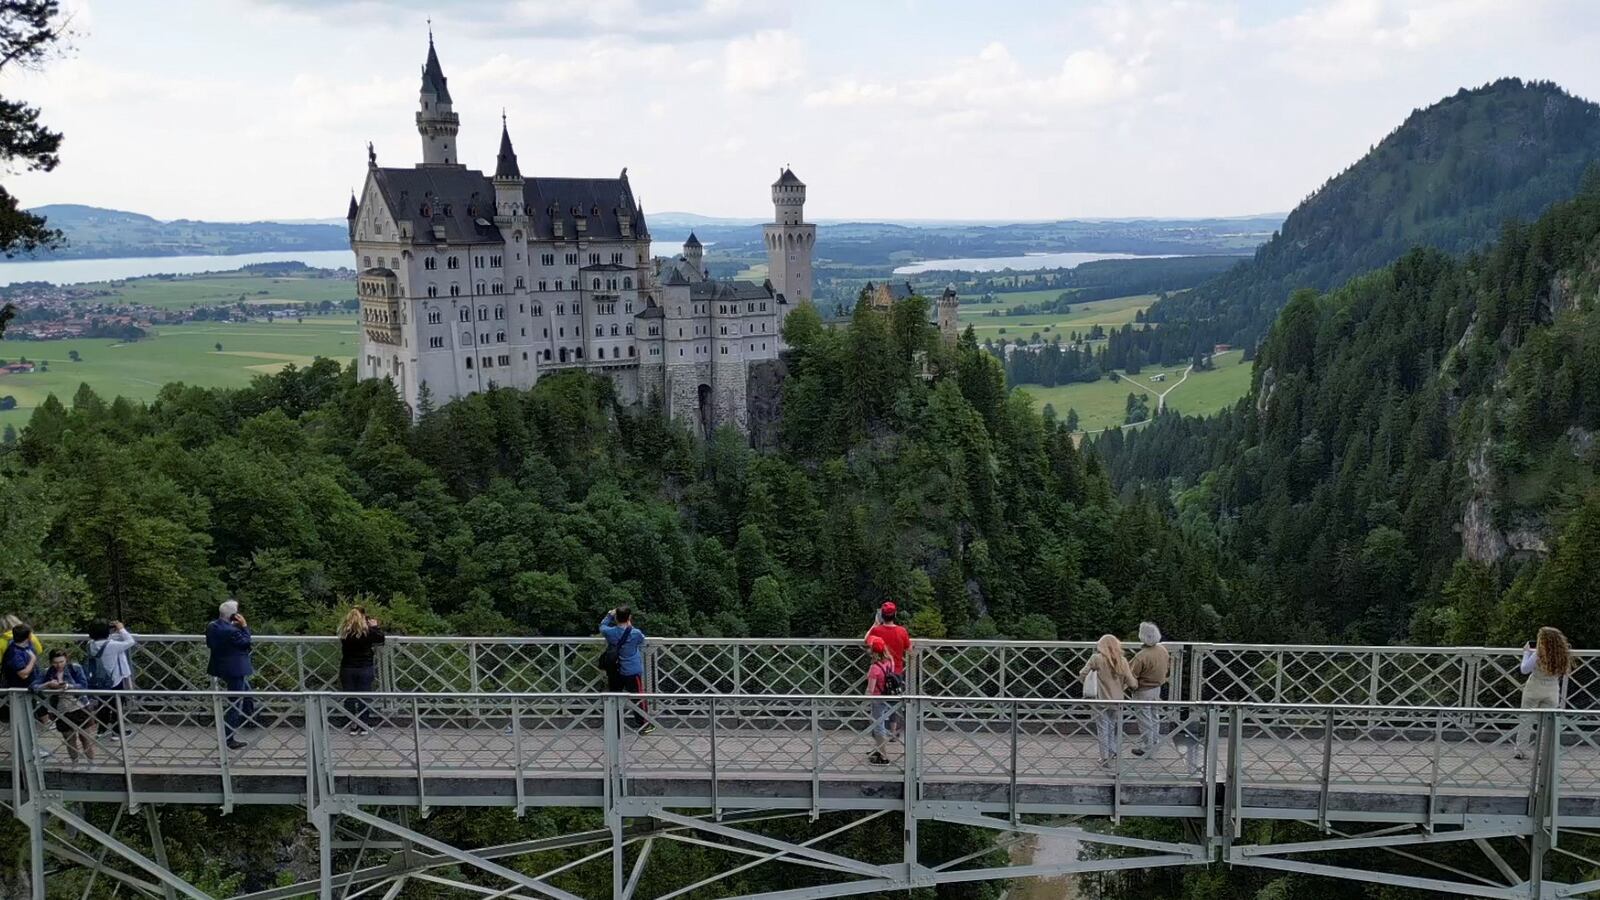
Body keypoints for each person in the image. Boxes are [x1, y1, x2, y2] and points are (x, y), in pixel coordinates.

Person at [1516, 626, 1573, 760]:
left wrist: (1526, 653)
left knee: (1526, 719)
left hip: (1534, 687)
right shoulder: (1562, 655)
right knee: (1546, 723)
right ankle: (1543, 753)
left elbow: (1524, 669)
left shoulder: (1539, 653)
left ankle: (1521, 750)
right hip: (1552, 689)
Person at [1080, 634, 1137, 765]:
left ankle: (1104, 757)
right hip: (1117, 700)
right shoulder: (1122, 660)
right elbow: (1131, 682)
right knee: (1112, 727)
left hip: (1100, 700)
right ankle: (1113, 752)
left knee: (1103, 729)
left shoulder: (1096, 659)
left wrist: (1090, 679)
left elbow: (1082, 673)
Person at [206, 601, 254, 751]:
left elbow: (211, 644)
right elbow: (246, 642)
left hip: (221, 667)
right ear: (234, 615)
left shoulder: (212, 626)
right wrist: (244, 626)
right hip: (235, 669)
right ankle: (228, 739)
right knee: (235, 703)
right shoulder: (232, 631)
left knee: (247, 692)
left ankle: (251, 718)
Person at [33, 649, 96, 763]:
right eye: (55, 662)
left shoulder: (75, 668)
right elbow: (33, 687)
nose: (59, 665)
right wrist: (47, 684)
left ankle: (91, 762)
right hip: (60, 709)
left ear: (66, 659)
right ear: (51, 662)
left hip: (79, 705)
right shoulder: (47, 672)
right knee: (69, 739)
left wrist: (68, 685)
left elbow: (83, 685)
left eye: (61, 662)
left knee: (85, 737)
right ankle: (75, 763)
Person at [599, 607, 653, 734]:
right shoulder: (635, 633)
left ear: (616, 618)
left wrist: (609, 615)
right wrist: (629, 625)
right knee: (638, 697)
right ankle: (643, 725)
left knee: (615, 697)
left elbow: (602, 626)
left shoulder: (610, 632)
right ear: (629, 618)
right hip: (632, 670)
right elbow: (641, 639)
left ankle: (614, 727)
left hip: (615, 669)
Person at [84, 620, 138, 740]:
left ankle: (101, 729)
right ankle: (117, 731)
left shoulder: (90, 644)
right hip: (114, 681)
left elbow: (103, 640)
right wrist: (121, 629)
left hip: (99, 680)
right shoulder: (112, 646)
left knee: (103, 704)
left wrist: (112, 632)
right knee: (117, 705)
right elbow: (130, 641)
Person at [865, 602, 912, 738]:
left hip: (880, 672)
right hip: (896, 671)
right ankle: (893, 731)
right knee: (894, 702)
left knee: (878, 703)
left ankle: (879, 731)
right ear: (895, 615)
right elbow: (909, 650)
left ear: (882, 616)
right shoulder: (902, 631)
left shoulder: (877, 631)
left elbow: (866, 639)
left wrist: (874, 623)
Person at [337, 606, 385, 735]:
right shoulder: (367, 632)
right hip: (364, 666)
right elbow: (380, 639)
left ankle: (353, 723)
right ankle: (363, 724)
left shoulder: (345, 632)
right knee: (364, 696)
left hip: (347, 667)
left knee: (350, 697)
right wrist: (374, 626)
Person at [1128, 621, 1170, 757]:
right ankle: (1154, 744)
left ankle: (1147, 748)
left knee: (1144, 720)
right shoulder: (1162, 650)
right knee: (1154, 717)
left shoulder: (1142, 656)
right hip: (1157, 688)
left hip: (1143, 690)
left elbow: (1131, 675)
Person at [865, 637, 900, 766]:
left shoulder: (874, 668)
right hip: (889, 697)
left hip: (878, 699)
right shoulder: (890, 661)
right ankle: (878, 750)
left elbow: (871, 689)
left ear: (873, 652)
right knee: (878, 726)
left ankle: (884, 757)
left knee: (878, 727)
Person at [1, 624, 39, 726]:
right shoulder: (14, 653)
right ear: (29, 636)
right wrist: (33, 660)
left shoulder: (27, 646)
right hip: (18, 693)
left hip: (30, 690)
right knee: (22, 724)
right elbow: (23, 674)